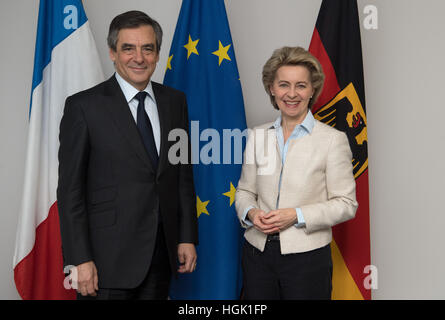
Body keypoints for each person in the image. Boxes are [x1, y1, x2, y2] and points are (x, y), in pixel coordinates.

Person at [57, 10, 198, 300]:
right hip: (104, 261)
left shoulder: (175, 102)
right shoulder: (83, 107)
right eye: (128, 48)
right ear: (112, 52)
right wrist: (79, 259)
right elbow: (71, 192)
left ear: (158, 54)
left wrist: (186, 236)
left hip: (161, 254)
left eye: (148, 48)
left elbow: (181, 175)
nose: (139, 58)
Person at [235, 46, 358, 300]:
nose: (292, 94)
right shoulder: (258, 136)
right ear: (271, 88)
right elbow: (245, 191)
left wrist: (297, 215)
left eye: (301, 85)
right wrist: (251, 212)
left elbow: (346, 204)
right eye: (283, 85)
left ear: (312, 89)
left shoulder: (332, 140)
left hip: (308, 259)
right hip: (257, 255)